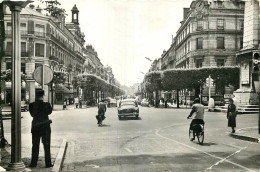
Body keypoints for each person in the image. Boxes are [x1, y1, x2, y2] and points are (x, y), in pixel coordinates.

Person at [29, 90, 53, 168]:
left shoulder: (32, 105)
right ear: (43, 96)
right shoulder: (47, 104)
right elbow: (49, 112)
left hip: (36, 126)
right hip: (45, 127)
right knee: (46, 146)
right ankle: (48, 163)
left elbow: (32, 115)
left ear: (36, 95)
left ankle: (33, 163)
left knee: (35, 145)